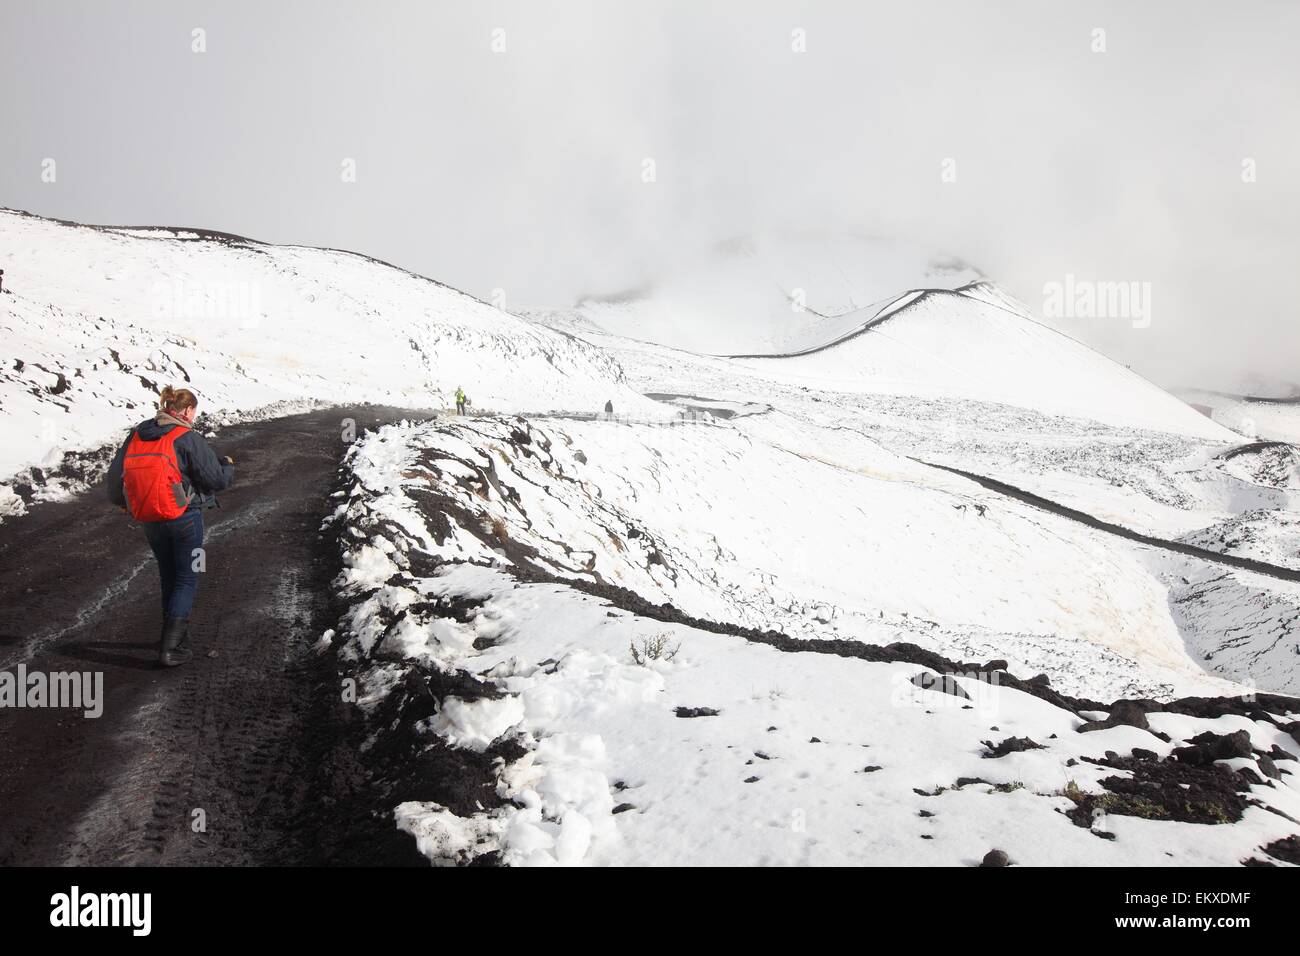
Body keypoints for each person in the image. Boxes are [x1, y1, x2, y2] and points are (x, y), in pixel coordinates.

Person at [105, 386, 235, 667]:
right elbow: (215, 480)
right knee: (187, 577)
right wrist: (227, 466)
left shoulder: (139, 433)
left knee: (169, 575)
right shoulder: (186, 437)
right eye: (194, 413)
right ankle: (171, 647)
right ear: (187, 411)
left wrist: (126, 503)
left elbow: (115, 475)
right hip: (183, 517)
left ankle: (171, 639)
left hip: (149, 518)